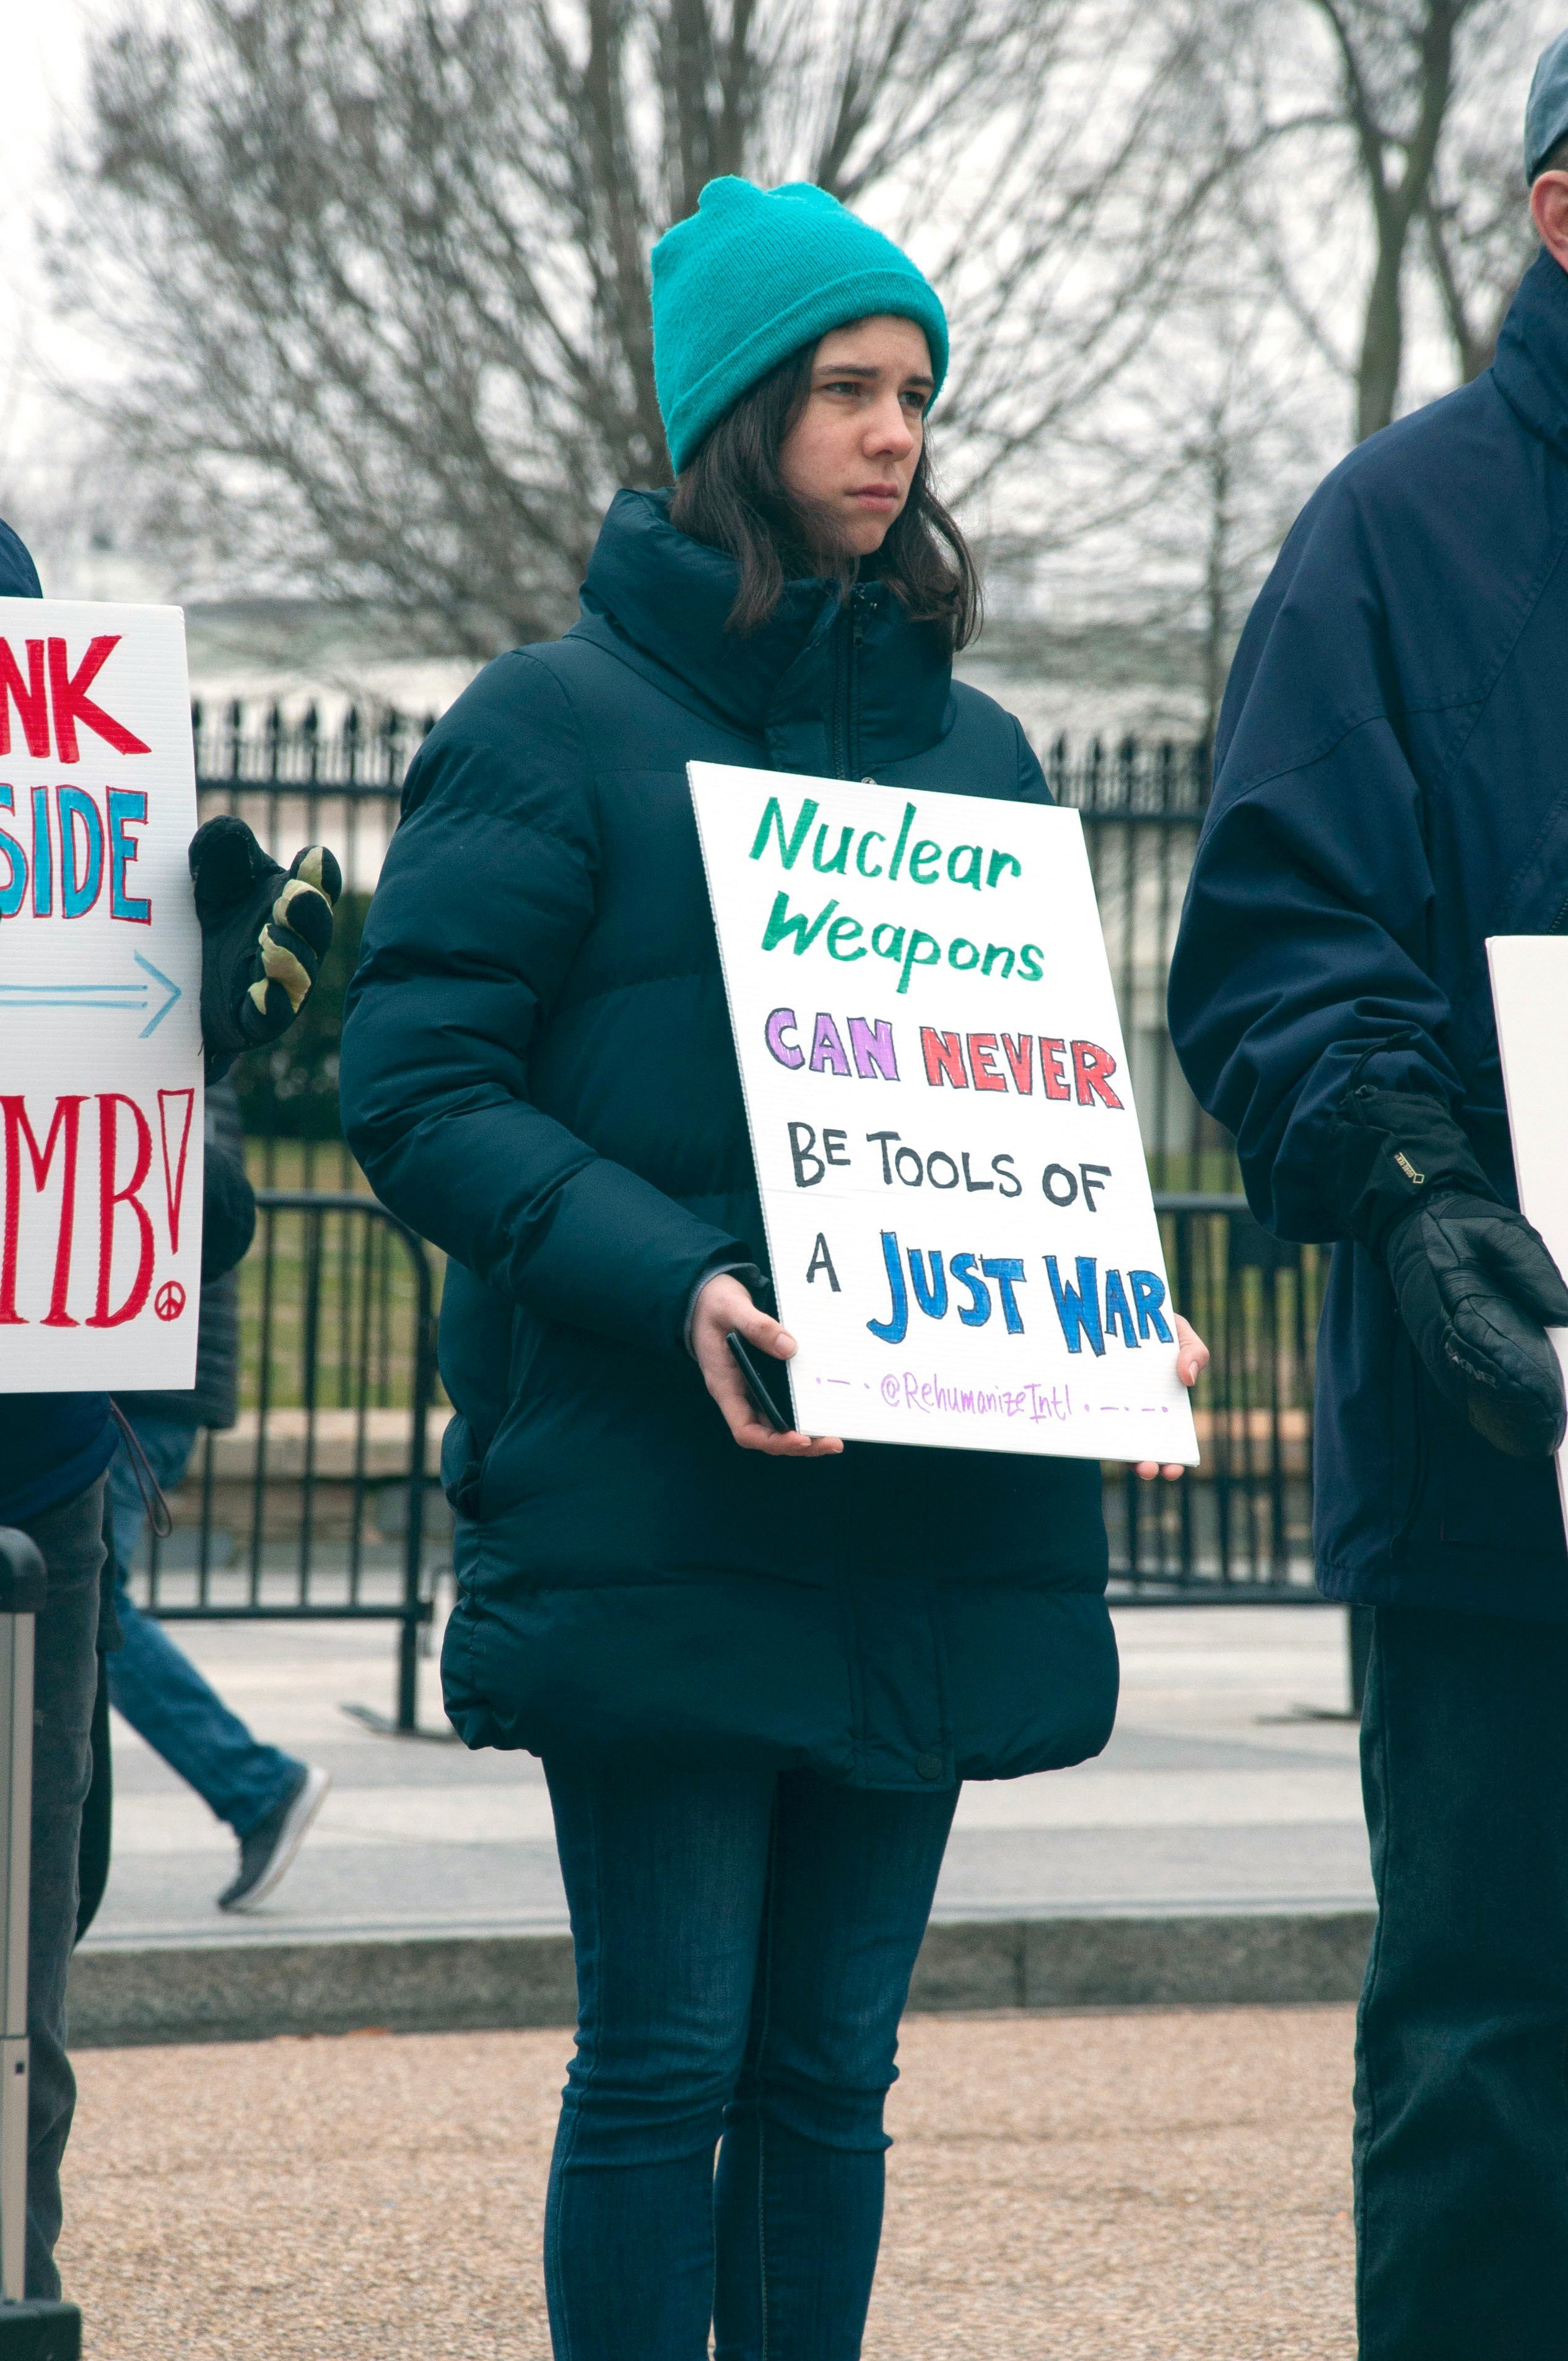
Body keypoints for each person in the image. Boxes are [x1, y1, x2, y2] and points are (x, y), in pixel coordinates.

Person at [340, 176, 1206, 2359]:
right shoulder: (550, 725)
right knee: (667, 2058)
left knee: (832, 2074)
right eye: (844, 386)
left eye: (915, 391)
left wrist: (1105, 1295)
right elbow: (417, 1086)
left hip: (921, 1497)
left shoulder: (980, 750)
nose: (894, 431)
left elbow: (1029, 1110)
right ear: (738, 412)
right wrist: (682, 1284)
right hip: (659, 1487)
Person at [1167, 33, 1568, 2359]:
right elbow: (1283, 938)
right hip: (1495, 1441)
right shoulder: (1393, 537)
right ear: (1549, 208)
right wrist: (1408, 1181)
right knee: (1494, 2049)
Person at [0, 507, 341, 2295]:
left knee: (16, 2008)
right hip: (50, 1469)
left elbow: (179, 1231)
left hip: (39, 1469)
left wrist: (179, 1058)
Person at [105, 1080, 329, 1915]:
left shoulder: (152, 1036)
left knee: (84, 1605)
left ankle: (256, 1785)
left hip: (132, 1375)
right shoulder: (177, 1024)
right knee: (77, 1604)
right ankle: (255, 1787)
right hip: (147, 1372)